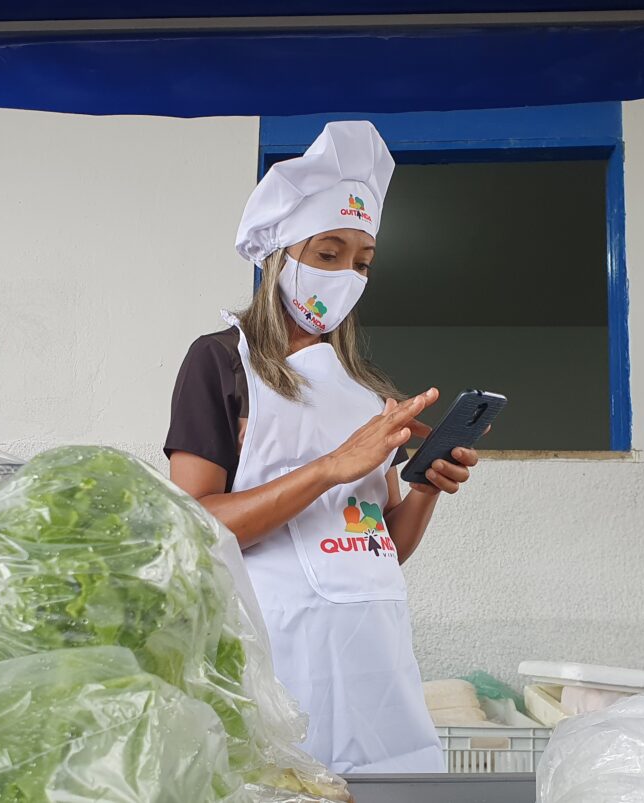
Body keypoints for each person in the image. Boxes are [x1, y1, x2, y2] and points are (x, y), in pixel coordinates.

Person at [165, 121, 483, 774]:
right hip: (275, 648)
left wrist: (425, 485)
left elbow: (380, 544)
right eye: (328, 253)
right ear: (278, 256)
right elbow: (195, 528)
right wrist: (331, 467)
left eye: (362, 262)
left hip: (374, 654)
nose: (346, 276)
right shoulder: (221, 362)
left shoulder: (366, 393)